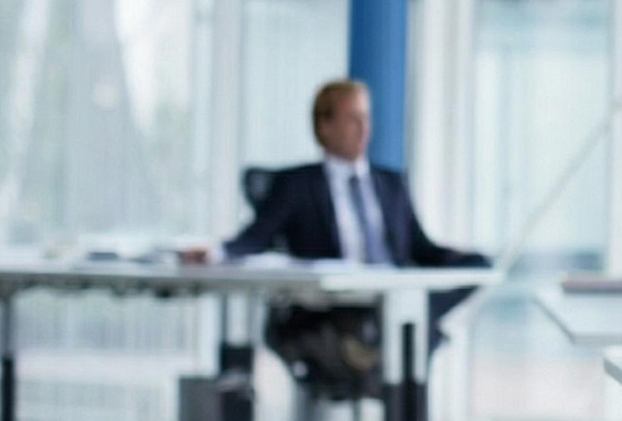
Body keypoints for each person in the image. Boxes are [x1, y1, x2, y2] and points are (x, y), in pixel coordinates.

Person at [187, 79, 487, 360]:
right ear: (325, 125)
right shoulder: (298, 184)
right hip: (335, 307)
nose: (363, 128)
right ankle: (403, 322)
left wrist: (462, 258)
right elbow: (256, 237)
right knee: (403, 326)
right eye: (352, 119)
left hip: (391, 293)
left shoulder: (391, 184)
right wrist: (216, 253)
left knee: (477, 267)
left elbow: (419, 247)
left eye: (366, 118)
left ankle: (407, 317)